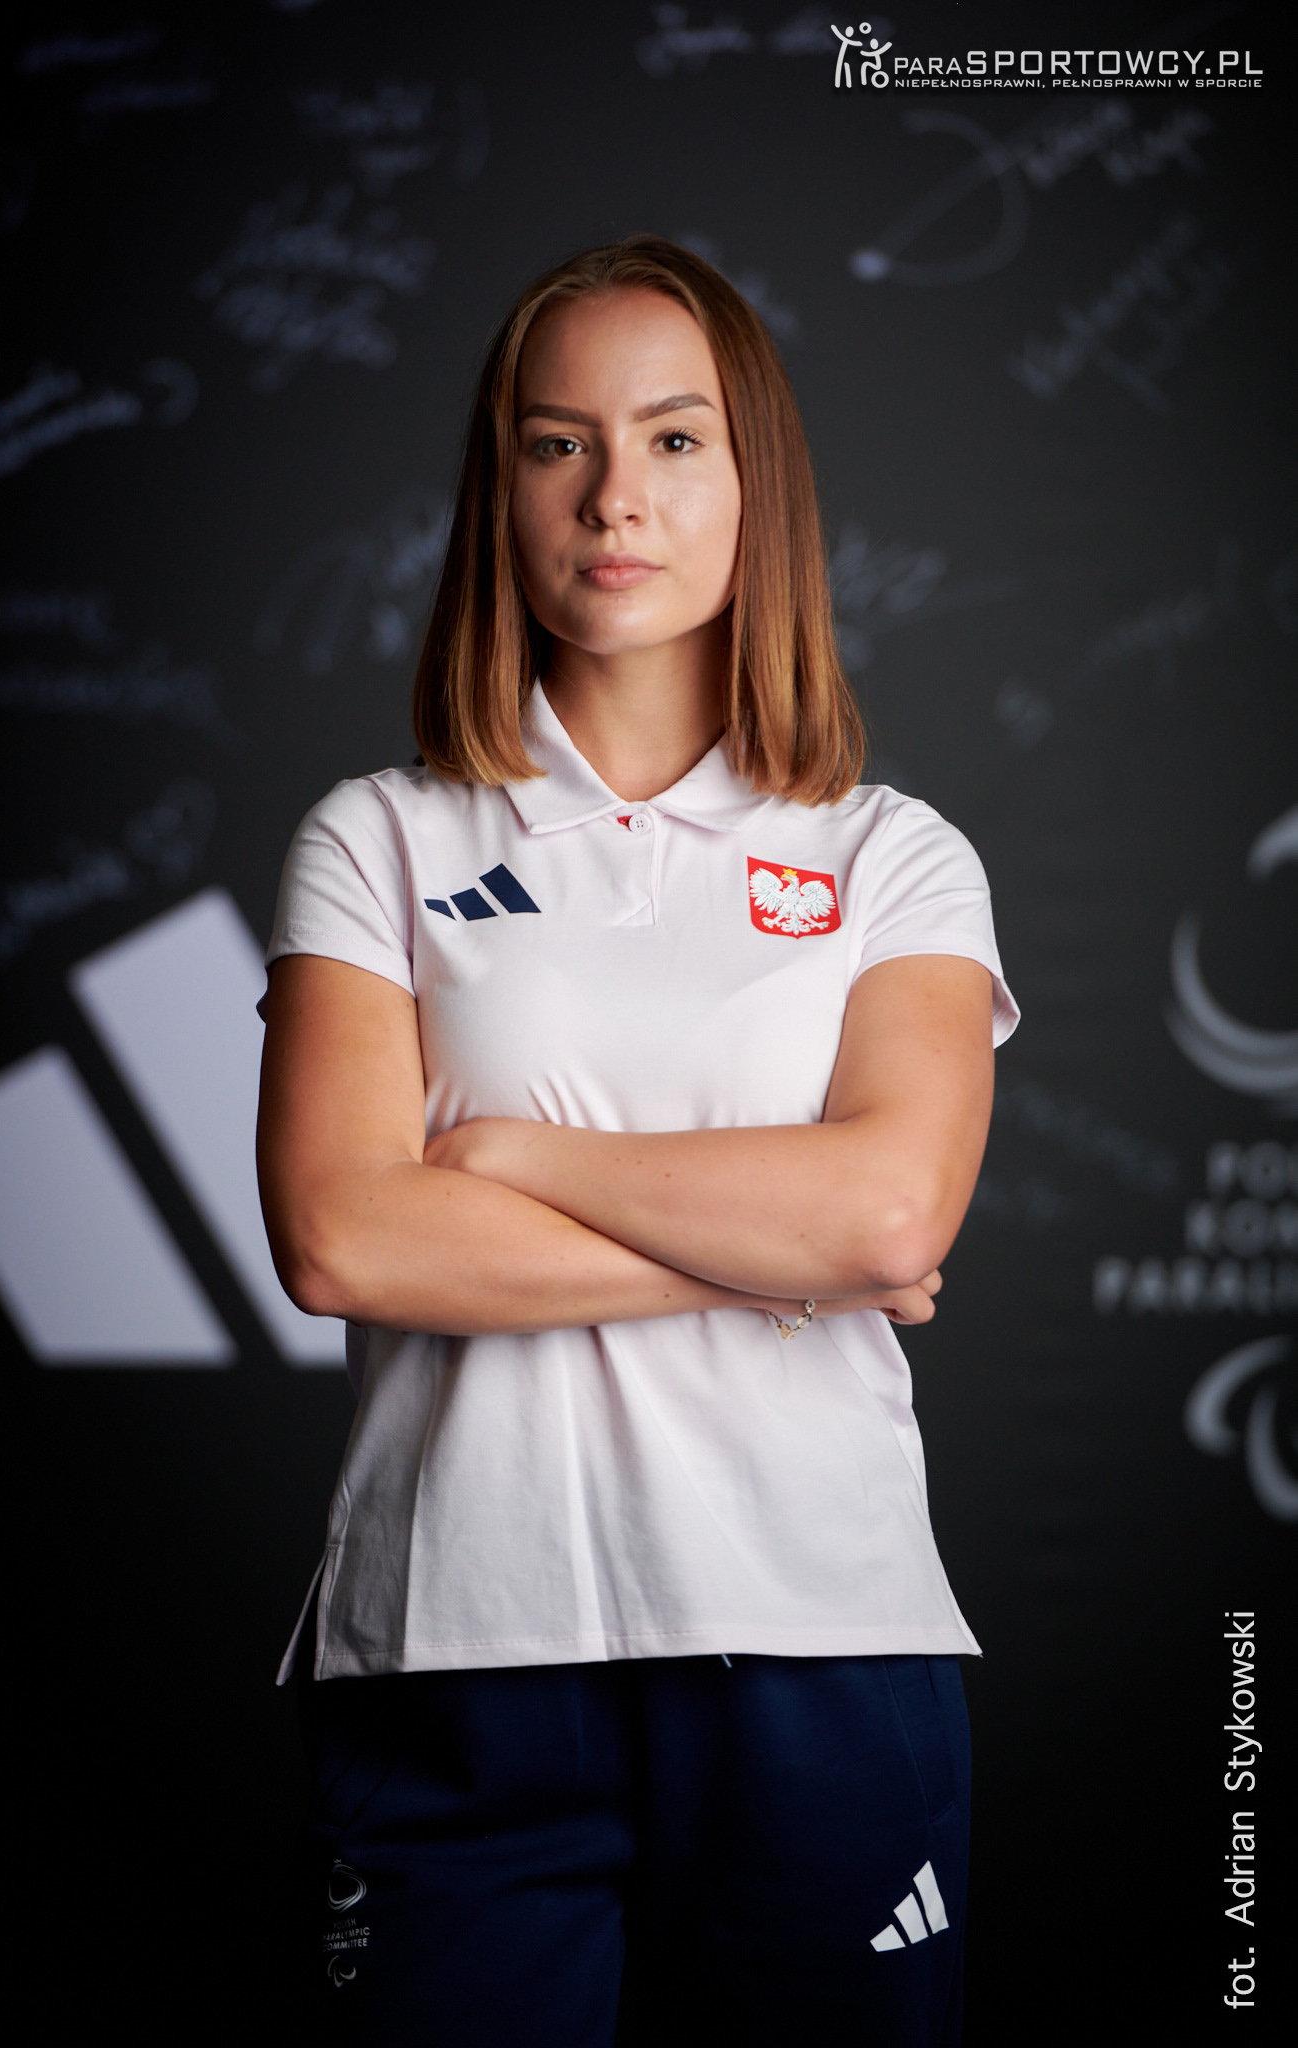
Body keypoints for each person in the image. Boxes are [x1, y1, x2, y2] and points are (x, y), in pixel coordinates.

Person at [256, 235, 1018, 2048]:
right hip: (454, 1648)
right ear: (501, 490)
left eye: (675, 440)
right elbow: (346, 1241)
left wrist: (513, 1159)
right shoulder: (375, 839)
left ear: (757, 489)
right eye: (558, 443)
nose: (615, 496)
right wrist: (779, 1250)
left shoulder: (890, 854)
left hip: (820, 1647)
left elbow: (889, 1209)